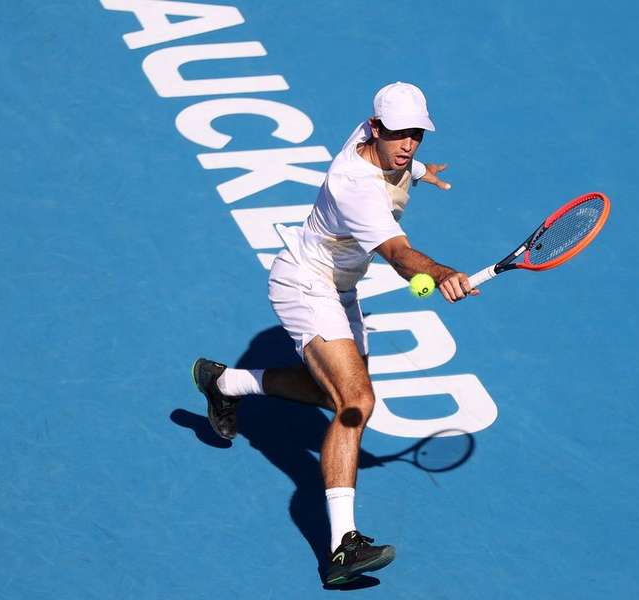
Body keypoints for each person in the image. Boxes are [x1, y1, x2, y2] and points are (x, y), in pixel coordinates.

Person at [192, 81, 478, 585]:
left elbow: (397, 160)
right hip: (305, 286)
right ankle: (342, 548)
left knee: (331, 395)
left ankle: (225, 383)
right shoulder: (355, 185)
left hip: (340, 289)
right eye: (398, 136)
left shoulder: (382, 146)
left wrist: (417, 172)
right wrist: (440, 272)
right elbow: (398, 255)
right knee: (355, 402)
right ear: (374, 129)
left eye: (417, 135)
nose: (408, 144)